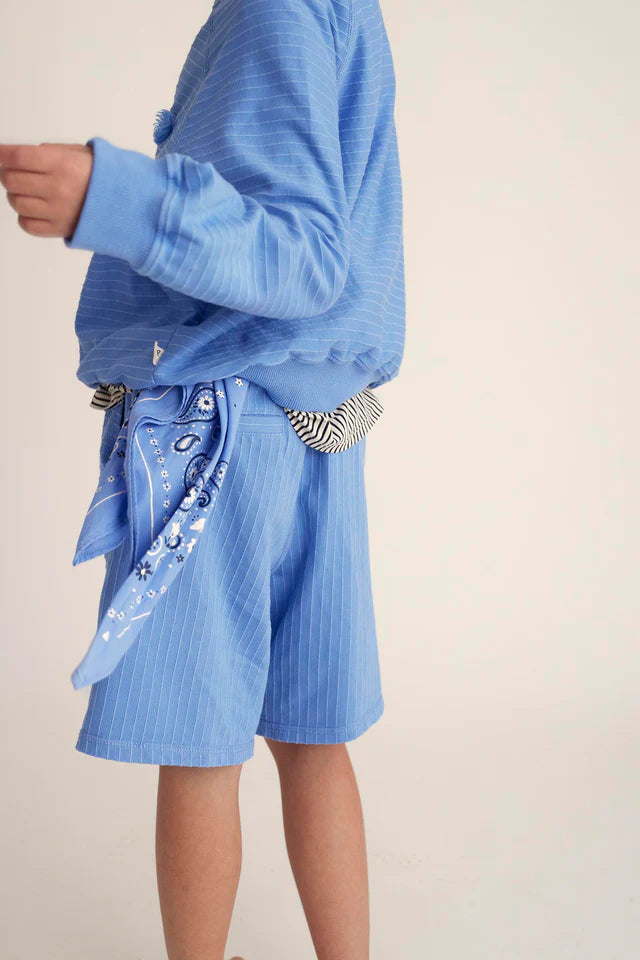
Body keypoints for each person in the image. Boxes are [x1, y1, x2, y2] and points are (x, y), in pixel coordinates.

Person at [0, 0, 405, 957]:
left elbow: (302, 256)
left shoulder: (273, 12)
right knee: (313, 736)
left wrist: (120, 198)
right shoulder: (336, 12)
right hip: (318, 421)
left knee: (200, 746)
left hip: (217, 425)